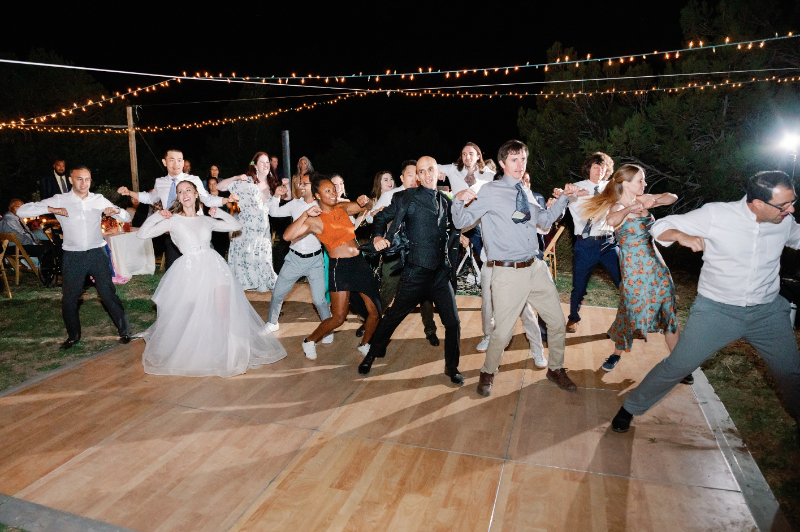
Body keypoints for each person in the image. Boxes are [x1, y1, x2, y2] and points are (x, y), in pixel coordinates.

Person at [612, 170, 800, 435]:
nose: (790, 209)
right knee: (678, 365)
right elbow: (660, 227)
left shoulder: (785, 222)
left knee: (792, 374)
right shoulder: (717, 215)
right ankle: (630, 408)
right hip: (717, 312)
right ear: (758, 203)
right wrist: (681, 235)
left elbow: (798, 237)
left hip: (767, 314)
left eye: (792, 202)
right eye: (783, 205)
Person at [452, 140, 586, 395]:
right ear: (502, 164)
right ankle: (488, 371)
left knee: (557, 323)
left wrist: (565, 199)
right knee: (502, 334)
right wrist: (458, 200)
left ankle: (555, 368)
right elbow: (462, 221)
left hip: (535, 268)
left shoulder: (524, 191)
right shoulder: (490, 190)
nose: (520, 164)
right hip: (507, 272)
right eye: (514, 159)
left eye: (523, 159)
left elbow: (545, 220)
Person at [136, 179, 287, 377]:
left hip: (214, 266)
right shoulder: (172, 220)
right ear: (178, 198)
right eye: (180, 192)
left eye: (188, 189)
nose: (185, 194)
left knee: (223, 313)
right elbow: (142, 233)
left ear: (197, 194)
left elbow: (235, 224)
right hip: (189, 271)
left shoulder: (205, 219)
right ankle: (198, 351)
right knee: (194, 315)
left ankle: (231, 354)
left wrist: (221, 212)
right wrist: (157, 215)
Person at [359, 156, 463, 384]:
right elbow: (380, 217)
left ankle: (452, 367)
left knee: (453, 322)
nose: (427, 175)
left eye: (431, 170)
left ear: (438, 173)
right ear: (417, 175)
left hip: (439, 275)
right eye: (422, 171)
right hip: (415, 272)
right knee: (393, 317)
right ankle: (372, 353)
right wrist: (377, 235)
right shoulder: (405, 197)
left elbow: (449, 230)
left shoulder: (444, 201)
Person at [579, 164, 686, 377]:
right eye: (640, 180)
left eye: (644, 180)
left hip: (657, 269)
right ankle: (617, 353)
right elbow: (612, 221)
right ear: (625, 183)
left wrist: (651, 199)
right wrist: (631, 208)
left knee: (669, 313)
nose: (644, 184)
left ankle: (680, 367)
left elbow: (671, 196)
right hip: (633, 273)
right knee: (628, 314)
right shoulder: (616, 206)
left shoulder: (643, 198)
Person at [18, 166, 131, 349]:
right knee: (69, 298)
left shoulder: (98, 199)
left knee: (108, 294)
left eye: (87, 179)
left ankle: (124, 331)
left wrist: (115, 211)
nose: (84, 183)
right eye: (80, 179)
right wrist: (50, 208)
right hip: (73, 256)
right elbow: (21, 211)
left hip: (97, 253)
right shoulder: (60, 199)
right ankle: (73, 336)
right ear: (71, 180)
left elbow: (125, 217)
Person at [283, 173, 380, 360]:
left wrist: (366, 201)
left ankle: (365, 344)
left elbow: (368, 207)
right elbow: (288, 236)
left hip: (359, 263)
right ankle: (310, 340)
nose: (333, 193)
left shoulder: (342, 208)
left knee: (374, 313)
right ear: (318, 195)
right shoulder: (315, 220)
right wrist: (305, 214)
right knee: (338, 318)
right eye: (328, 191)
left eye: (334, 190)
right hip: (340, 268)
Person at [118, 149, 236, 270]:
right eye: (172, 160)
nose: (176, 164)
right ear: (165, 162)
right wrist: (129, 193)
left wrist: (226, 200)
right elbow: (150, 198)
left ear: (183, 162)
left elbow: (208, 199)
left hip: (197, 231)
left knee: (204, 270)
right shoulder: (160, 182)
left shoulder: (194, 180)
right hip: (173, 231)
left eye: (179, 160)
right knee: (174, 271)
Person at [367, 160, 440, 346]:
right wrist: (377, 234)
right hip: (395, 255)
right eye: (411, 174)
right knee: (387, 293)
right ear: (402, 177)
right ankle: (372, 322)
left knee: (425, 297)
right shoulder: (392, 195)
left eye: (418, 173)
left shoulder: (426, 195)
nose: (416, 177)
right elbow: (373, 217)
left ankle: (430, 330)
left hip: (418, 256)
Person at [265, 173, 333, 344]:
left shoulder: (322, 206)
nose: (300, 186)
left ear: (314, 187)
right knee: (278, 293)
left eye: (305, 183)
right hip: (294, 259)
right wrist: (276, 196)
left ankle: (328, 326)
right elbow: (273, 212)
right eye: (299, 183)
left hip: (315, 261)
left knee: (319, 300)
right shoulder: (295, 204)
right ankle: (272, 322)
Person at [566, 152, 621, 333]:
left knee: (624, 282)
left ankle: (627, 320)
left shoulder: (613, 188)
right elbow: (561, 202)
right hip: (585, 244)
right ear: (589, 168)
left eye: (603, 166)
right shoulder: (575, 188)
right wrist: (562, 194)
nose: (600, 170)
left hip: (609, 243)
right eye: (596, 166)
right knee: (579, 286)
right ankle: (573, 318)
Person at [217, 151, 286, 292]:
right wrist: (237, 177)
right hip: (245, 234)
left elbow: (273, 211)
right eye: (262, 162)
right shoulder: (246, 183)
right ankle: (237, 308)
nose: (266, 165)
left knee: (266, 270)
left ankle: (275, 308)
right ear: (255, 166)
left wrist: (278, 196)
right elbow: (220, 187)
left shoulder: (272, 185)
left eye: (268, 162)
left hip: (262, 236)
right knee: (242, 274)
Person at [438, 142, 495, 259]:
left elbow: (505, 183)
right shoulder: (453, 169)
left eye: (471, 154)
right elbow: (430, 166)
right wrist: (437, 173)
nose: (467, 157)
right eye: (464, 154)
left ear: (478, 156)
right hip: (459, 216)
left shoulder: (487, 174)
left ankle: (490, 255)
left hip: (478, 218)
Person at [0, 199, 56, 280]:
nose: (20, 209)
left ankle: (47, 270)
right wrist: (32, 242)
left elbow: (27, 232)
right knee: (44, 249)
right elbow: (19, 237)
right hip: (14, 247)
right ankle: (47, 275)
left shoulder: (16, 217)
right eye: (17, 207)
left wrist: (35, 240)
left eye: (22, 207)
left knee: (46, 244)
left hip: (18, 245)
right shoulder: (9, 219)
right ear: (10, 208)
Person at [206, 177, 231, 258]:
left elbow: (231, 208)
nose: (212, 186)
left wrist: (228, 219)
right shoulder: (205, 198)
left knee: (222, 250)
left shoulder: (223, 196)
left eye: (214, 183)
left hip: (222, 226)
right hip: (210, 227)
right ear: (208, 185)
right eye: (210, 184)